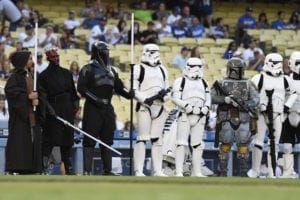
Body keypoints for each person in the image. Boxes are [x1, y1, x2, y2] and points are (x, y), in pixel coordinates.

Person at [77, 41, 133, 176]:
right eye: (104, 50)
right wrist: (96, 99)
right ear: (97, 51)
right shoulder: (87, 68)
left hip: (108, 108)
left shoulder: (112, 70)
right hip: (92, 108)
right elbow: (81, 88)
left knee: (107, 140)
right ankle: (87, 170)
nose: (106, 53)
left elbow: (119, 88)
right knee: (89, 139)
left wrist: (129, 94)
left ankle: (107, 170)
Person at [248, 53, 297, 178]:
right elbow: (250, 94)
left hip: (277, 114)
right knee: (258, 143)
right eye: (275, 63)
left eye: (279, 62)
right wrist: (259, 105)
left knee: (274, 144)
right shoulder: (259, 78)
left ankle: (272, 172)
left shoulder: (285, 79)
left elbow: (293, 94)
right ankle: (255, 170)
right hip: (261, 114)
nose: (278, 65)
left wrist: (286, 106)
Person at [211, 57, 259, 177]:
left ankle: (243, 172)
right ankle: (222, 172)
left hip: (244, 119)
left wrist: (244, 104)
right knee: (225, 146)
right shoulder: (221, 83)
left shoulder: (249, 83)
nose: (233, 72)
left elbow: (256, 100)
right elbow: (211, 97)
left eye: (235, 69)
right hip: (226, 119)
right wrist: (225, 99)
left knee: (243, 147)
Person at [38, 48, 80, 175]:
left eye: (57, 56)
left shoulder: (67, 73)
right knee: (49, 139)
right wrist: (50, 110)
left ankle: (68, 166)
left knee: (67, 139)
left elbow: (73, 93)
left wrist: (75, 107)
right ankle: (43, 165)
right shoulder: (43, 76)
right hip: (53, 110)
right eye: (53, 57)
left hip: (67, 109)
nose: (56, 59)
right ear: (49, 59)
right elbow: (42, 96)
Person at [133, 43, 170, 176]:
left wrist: (164, 97)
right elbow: (133, 89)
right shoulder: (138, 69)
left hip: (159, 107)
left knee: (157, 140)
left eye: (157, 51)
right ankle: (139, 170)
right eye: (153, 52)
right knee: (142, 138)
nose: (156, 54)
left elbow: (168, 88)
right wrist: (144, 99)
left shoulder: (162, 69)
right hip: (144, 107)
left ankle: (158, 170)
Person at [4, 51, 42, 174]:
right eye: (30, 58)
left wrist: (38, 99)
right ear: (23, 61)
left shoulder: (32, 75)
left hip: (33, 117)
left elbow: (39, 93)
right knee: (21, 143)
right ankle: (20, 167)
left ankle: (32, 167)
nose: (32, 61)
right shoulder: (15, 77)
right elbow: (11, 92)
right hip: (21, 118)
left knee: (32, 141)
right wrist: (28, 97)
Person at [172, 57, 211, 177]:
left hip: (200, 116)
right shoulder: (180, 81)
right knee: (181, 143)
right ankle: (179, 171)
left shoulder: (204, 82)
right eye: (195, 66)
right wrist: (186, 106)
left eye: (200, 66)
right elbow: (175, 98)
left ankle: (197, 171)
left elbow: (208, 99)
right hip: (185, 115)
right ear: (188, 67)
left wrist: (205, 108)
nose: (197, 69)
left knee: (198, 145)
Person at [280, 51, 300, 178]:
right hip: (287, 115)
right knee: (287, 146)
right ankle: (287, 172)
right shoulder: (285, 80)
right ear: (291, 63)